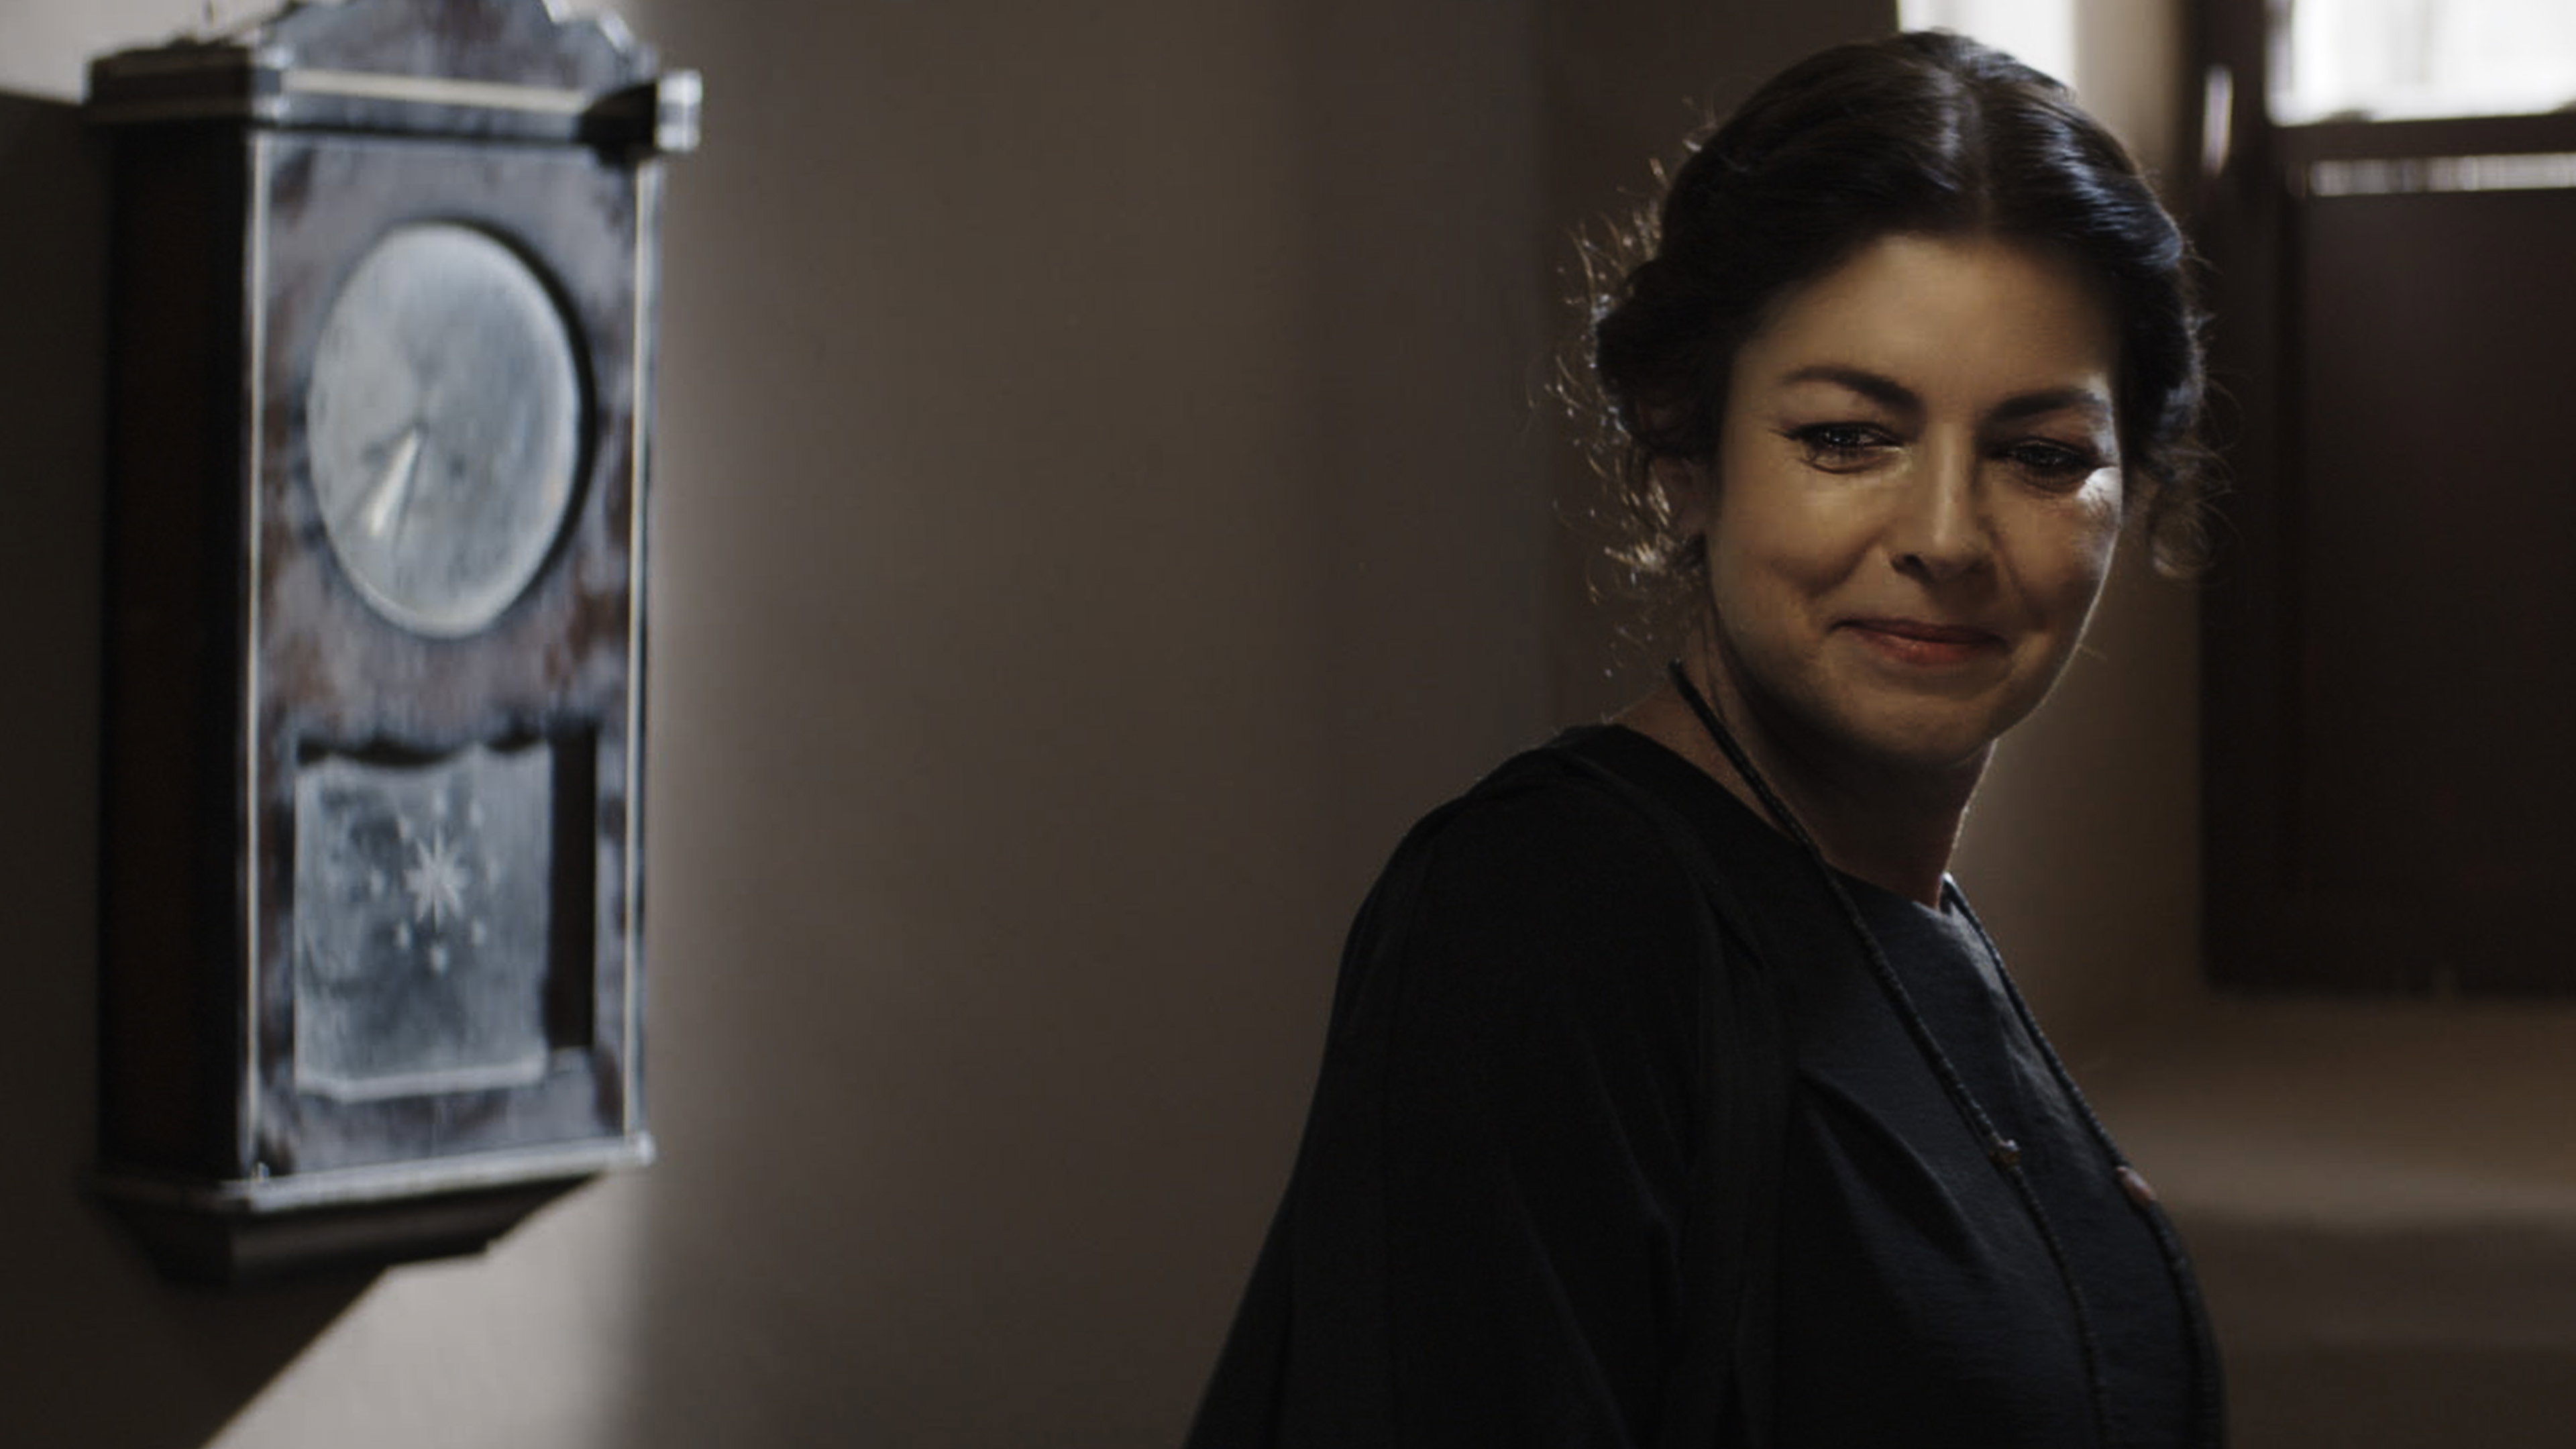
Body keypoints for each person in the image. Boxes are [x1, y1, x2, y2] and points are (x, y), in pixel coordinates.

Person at [1187, 30, 2224, 1449]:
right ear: (1684, 452)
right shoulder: (1541, 921)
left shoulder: (1908, 926)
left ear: (2131, 489)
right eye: (1848, 436)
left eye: (2042, 456)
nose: (1944, 537)